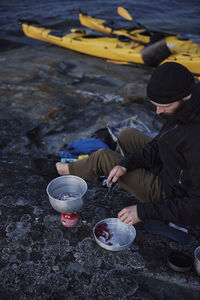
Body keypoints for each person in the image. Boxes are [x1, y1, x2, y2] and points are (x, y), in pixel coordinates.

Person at [54, 62, 200, 227]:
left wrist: (143, 211)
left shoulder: (195, 141)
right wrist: (126, 164)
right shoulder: (188, 105)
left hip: (171, 194)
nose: (158, 112)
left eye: (164, 106)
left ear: (186, 96)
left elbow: (195, 207)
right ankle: (129, 170)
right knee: (126, 134)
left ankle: (63, 170)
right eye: (155, 105)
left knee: (103, 158)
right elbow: (161, 144)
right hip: (172, 166)